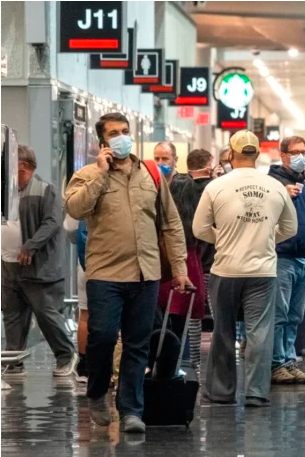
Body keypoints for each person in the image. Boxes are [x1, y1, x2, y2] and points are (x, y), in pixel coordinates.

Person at [65, 112, 190, 433]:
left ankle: (132, 409)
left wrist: (179, 268)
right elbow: (75, 209)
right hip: (105, 272)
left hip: (145, 273)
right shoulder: (86, 174)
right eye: (114, 133)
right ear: (102, 142)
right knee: (103, 336)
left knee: (138, 344)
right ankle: (96, 392)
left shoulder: (151, 173)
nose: (121, 137)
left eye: (125, 131)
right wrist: (101, 176)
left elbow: (171, 223)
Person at [193, 130, 297, 407]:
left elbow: (199, 228)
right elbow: (291, 228)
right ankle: (256, 392)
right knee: (260, 332)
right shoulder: (275, 186)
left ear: (231, 153)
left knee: (223, 331)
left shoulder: (216, 187)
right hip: (263, 271)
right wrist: (266, 238)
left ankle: (221, 391)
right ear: (258, 153)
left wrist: (225, 237)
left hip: (225, 269)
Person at [1, 145, 77, 377]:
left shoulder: (46, 190)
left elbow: (52, 223)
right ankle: (14, 362)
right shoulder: (6, 191)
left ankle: (66, 355)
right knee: (12, 315)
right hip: (8, 265)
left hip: (39, 268)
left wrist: (30, 246)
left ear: (22, 167)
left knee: (46, 314)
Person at [267, 135, 305, 384]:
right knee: (279, 313)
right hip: (282, 257)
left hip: (304, 260)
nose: (301, 157)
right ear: (283, 155)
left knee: (295, 316)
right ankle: (276, 363)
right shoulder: (272, 183)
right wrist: (280, 196)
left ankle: (289, 360)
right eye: (296, 152)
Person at [155, 174, 206, 370]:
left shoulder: (164, 218)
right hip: (192, 272)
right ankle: (187, 367)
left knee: (164, 324)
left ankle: (165, 366)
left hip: (168, 273)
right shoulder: (197, 218)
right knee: (186, 326)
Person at [187, 148, 216, 371]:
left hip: (190, 259)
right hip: (212, 261)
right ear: (209, 165)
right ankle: (218, 360)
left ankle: (192, 360)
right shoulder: (214, 190)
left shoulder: (180, 187)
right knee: (218, 314)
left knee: (191, 313)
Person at [64, 214, 90, 383]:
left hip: (87, 260)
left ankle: (85, 366)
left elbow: (71, 227)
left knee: (86, 313)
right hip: (120, 265)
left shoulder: (82, 188)